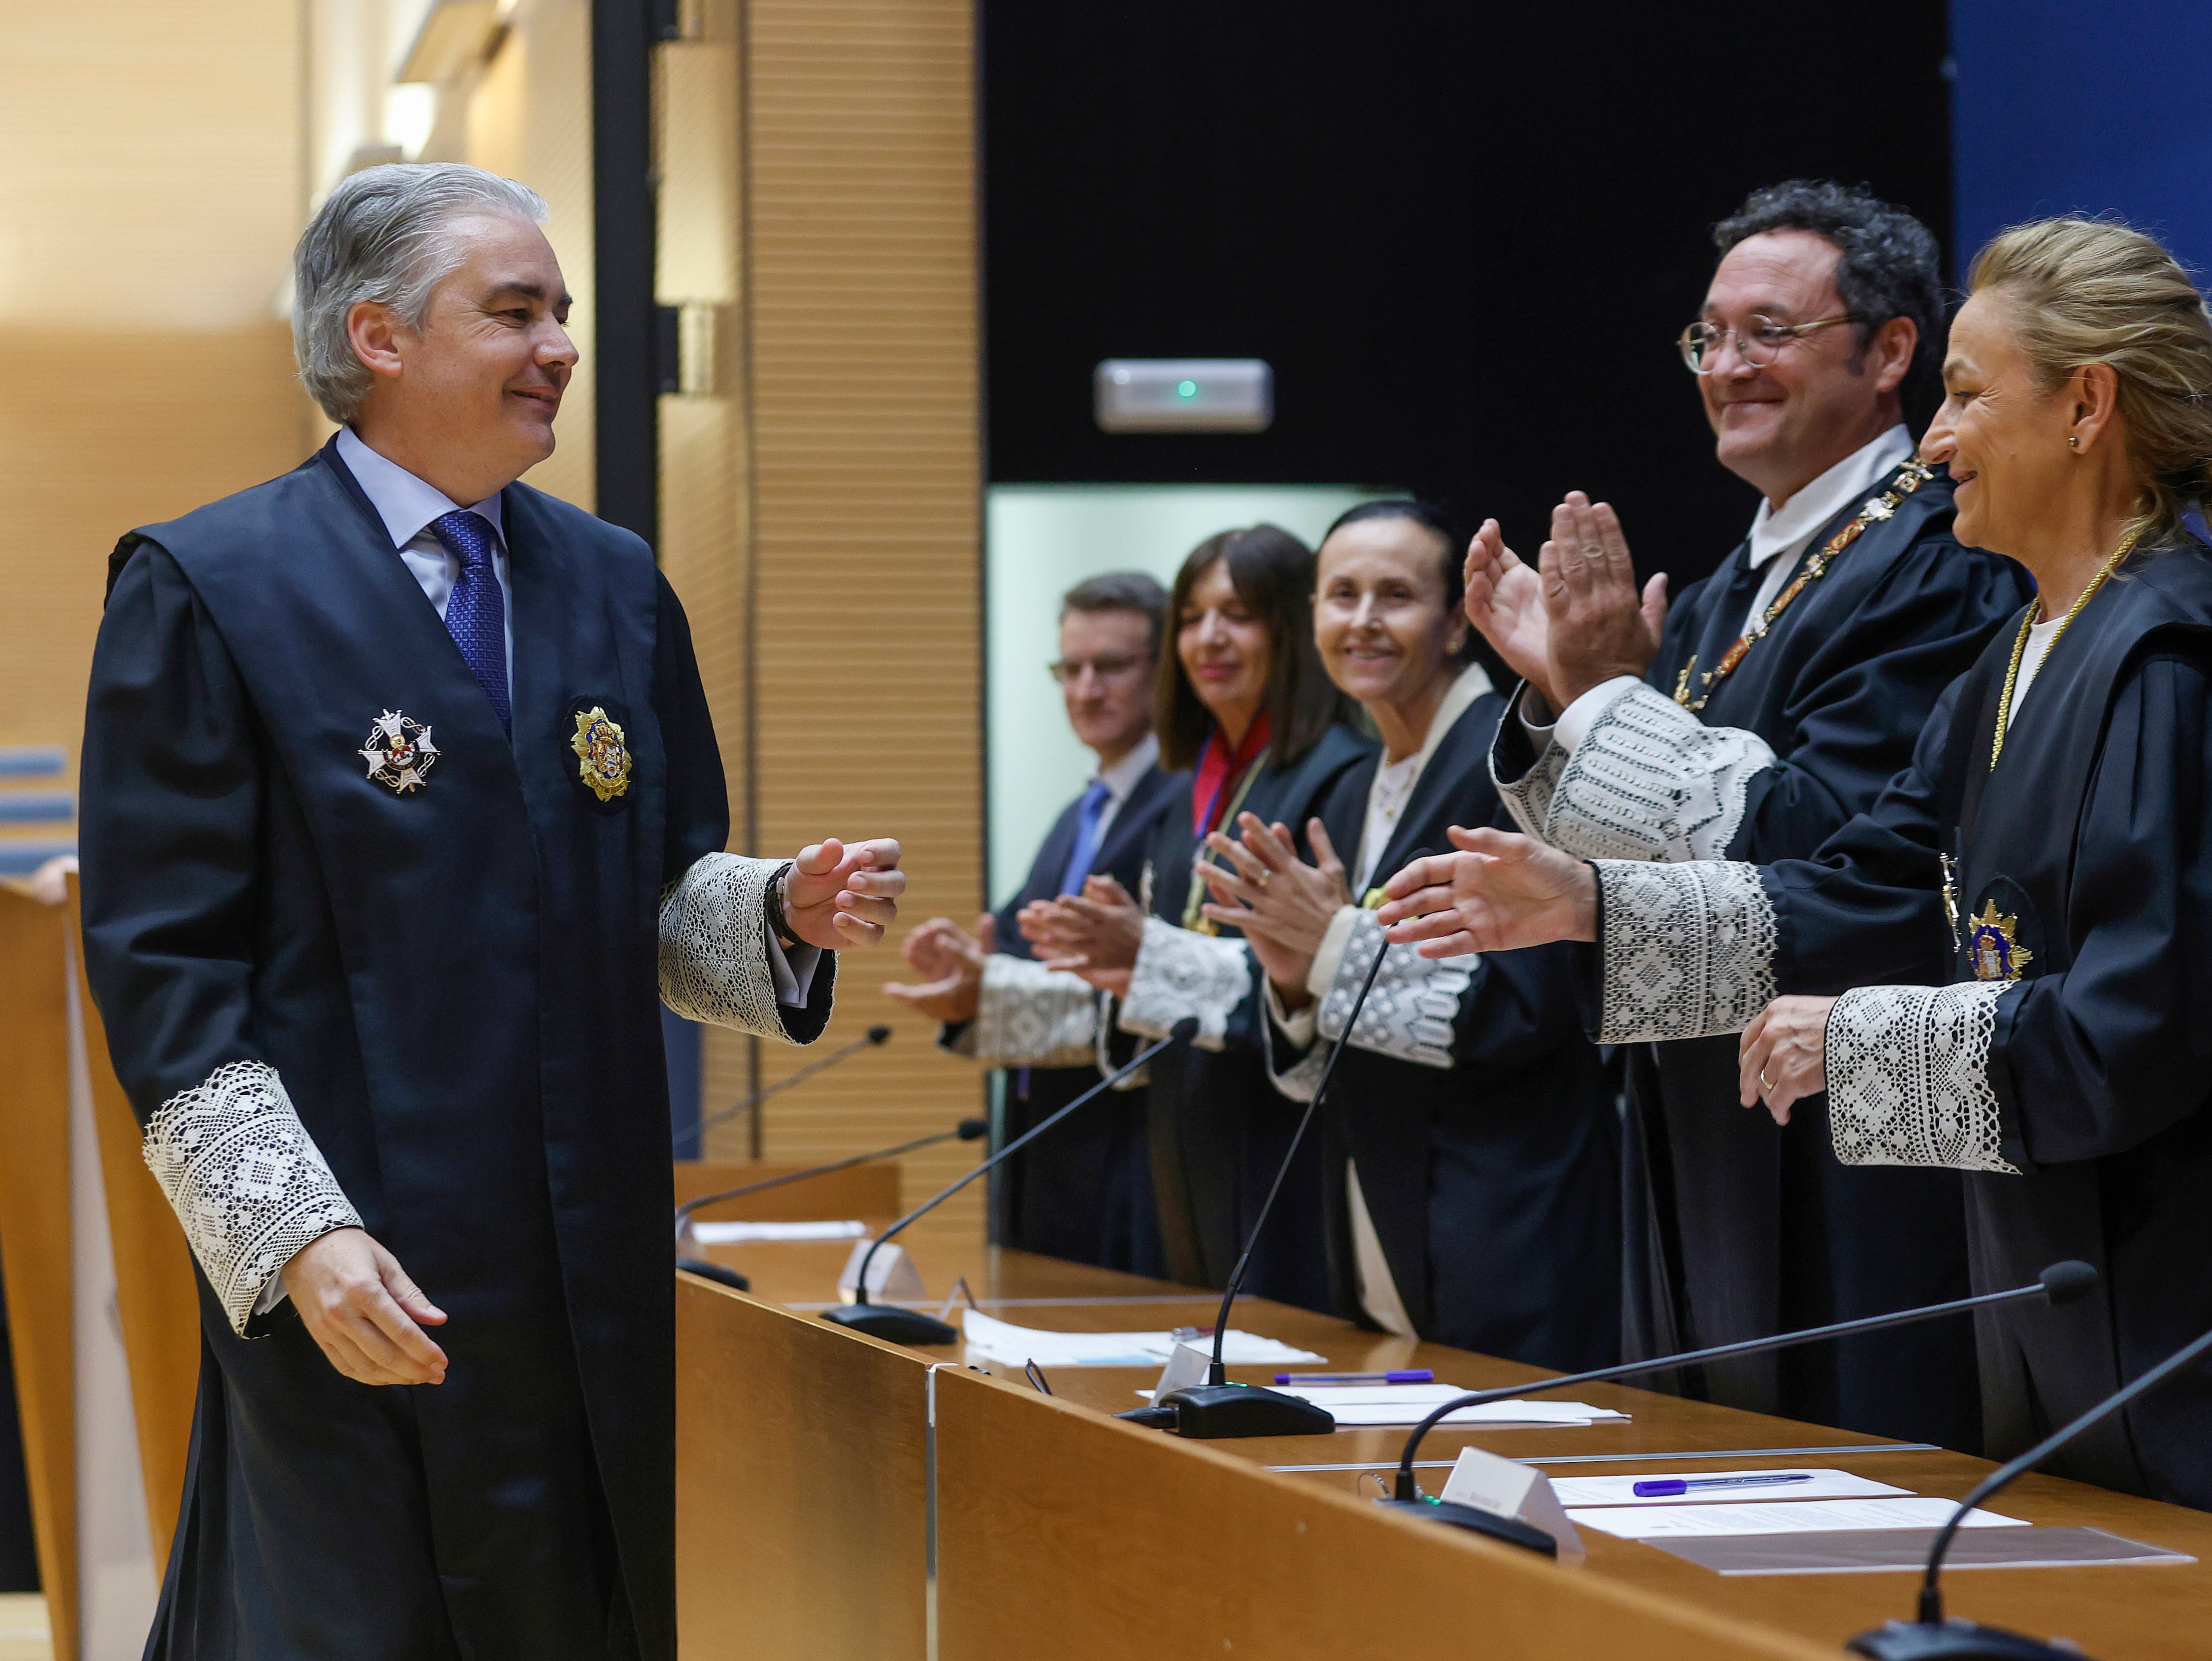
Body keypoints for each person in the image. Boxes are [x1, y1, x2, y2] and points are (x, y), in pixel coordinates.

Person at [1381, 216, 2212, 1562]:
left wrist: (1853, 1040)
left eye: (1962, 392)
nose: (1935, 441)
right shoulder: (2012, 660)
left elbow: (2136, 1034)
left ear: (2086, 407)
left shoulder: (2184, 668)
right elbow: (1864, 883)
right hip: (2065, 1313)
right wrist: (1592, 902)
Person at [78, 164, 907, 1659]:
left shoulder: (612, 583)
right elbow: (162, 965)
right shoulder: (209, 583)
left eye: (563, 315)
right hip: (358, 1259)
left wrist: (778, 908)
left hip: (581, 1269)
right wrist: (293, 1237)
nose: (561, 349)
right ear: (380, 336)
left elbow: (652, 897)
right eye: (515, 312)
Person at [1462, 182, 2022, 1442]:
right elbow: (1643, 855)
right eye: (1706, 338)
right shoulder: (1724, 588)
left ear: (1890, 353)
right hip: (1696, 1121)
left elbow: (1848, 851)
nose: (1726, 365)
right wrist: (1573, 699)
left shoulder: (1940, 557)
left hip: (1846, 1136)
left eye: (1767, 332)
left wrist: (1602, 692)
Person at [1199, 501, 1620, 1371]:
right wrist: (1290, 982)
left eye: (1395, 595)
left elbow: (1529, 1010)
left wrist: (1331, 950)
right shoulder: (1357, 786)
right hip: (1374, 1202)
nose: (1362, 621)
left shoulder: (1511, 761)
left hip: (1506, 1208)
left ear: (1457, 623)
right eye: (1340, 595)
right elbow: (1338, 1033)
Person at [1015, 526, 1371, 1305]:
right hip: (1182, 1138)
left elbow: (1318, 984)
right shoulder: (1189, 791)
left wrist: (1149, 959)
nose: (1209, 638)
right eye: (1193, 616)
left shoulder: (1340, 774)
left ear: (1292, 626)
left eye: (1238, 614)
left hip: (1281, 1145)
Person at [883, 572, 1186, 1271]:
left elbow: (1155, 988)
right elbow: (1017, 956)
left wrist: (990, 984)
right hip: (1043, 1145)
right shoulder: (1078, 815)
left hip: (1126, 1152)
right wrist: (968, 973)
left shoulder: (1182, 806)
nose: (1086, 690)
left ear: (1163, 668)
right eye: (1069, 669)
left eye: (1110, 667)